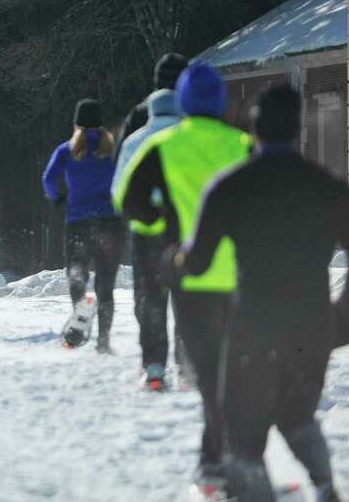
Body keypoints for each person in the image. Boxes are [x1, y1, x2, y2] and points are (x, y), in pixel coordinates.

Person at [176, 85, 344, 502]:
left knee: (242, 431)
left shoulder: (231, 186)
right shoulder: (328, 188)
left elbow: (196, 262)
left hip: (254, 323)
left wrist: (172, 260)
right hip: (311, 322)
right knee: (297, 414)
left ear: (254, 127)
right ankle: (325, 488)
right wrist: (342, 317)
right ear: (298, 130)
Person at [121, 63, 251, 494]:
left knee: (215, 375)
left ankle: (218, 465)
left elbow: (129, 200)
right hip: (241, 278)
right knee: (229, 375)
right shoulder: (244, 145)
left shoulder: (162, 146)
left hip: (190, 275)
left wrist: (162, 231)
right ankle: (220, 461)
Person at [111, 53, 188, 389]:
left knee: (150, 294)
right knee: (187, 293)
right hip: (186, 221)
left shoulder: (140, 115)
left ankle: (154, 365)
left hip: (145, 223)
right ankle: (188, 364)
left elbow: (122, 168)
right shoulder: (194, 115)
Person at [41, 99, 121, 353]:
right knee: (106, 284)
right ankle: (104, 341)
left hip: (78, 222)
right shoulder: (113, 150)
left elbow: (48, 180)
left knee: (77, 275)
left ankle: (79, 314)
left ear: (76, 123)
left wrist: (57, 198)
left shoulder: (66, 150)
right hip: (109, 222)